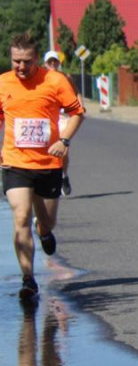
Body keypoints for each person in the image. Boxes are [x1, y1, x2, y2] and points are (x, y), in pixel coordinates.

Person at [0, 34, 85, 302]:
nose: (21, 67)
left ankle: (45, 231)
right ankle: (28, 279)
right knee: (21, 215)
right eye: (16, 61)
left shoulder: (55, 81)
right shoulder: (3, 83)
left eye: (26, 61)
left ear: (37, 59)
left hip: (48, 163)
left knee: (46, 221)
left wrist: (64, 140)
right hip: (15, 162)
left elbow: (77, 112)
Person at [43, 50, 74, 196]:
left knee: (64, 150)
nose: (53, 64)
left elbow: (77, 93)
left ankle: (64, 176)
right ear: (45, 64)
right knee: (47, 151)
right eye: (50, 62)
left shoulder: (65, 78)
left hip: (63, 117)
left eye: (55, 61)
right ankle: (49, 179)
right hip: (48, 118)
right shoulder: (42, 80)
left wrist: (79, 105)